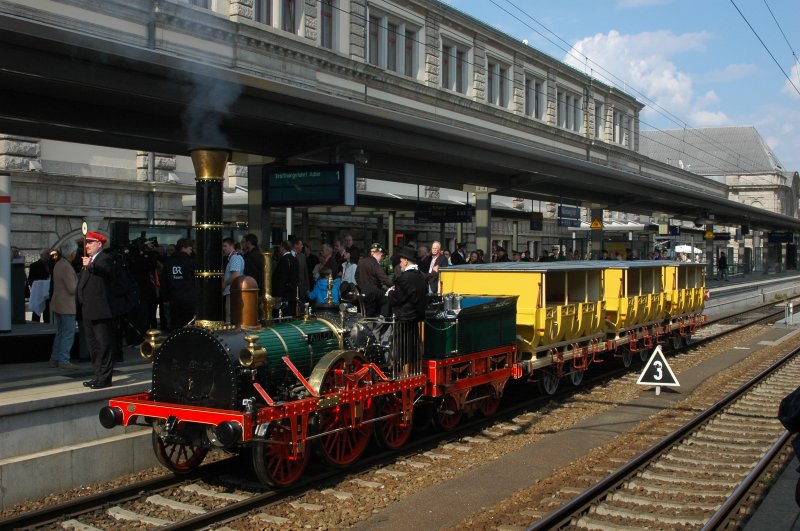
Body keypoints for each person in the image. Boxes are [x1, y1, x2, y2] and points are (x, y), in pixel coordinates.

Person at [77, 231, 115, 389]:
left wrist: (90, 266)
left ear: (99, 244)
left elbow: (106, 272)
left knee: (103, 344)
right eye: (86, 243)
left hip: (100, 310)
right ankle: (97, 375)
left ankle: (105, 378)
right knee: (93, 346)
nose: (87, 246)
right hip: (88, 309)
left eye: (90, 242)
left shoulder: (104, 259)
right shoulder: (90, 261)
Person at [49, 240, 79, 370]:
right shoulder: (67, 266)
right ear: (72, 253)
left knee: (60, 332)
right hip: (67, 305)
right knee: (68, 333)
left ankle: (55, 358)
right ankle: (64, 360)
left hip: (57, 303)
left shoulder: (58, 264)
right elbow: (72, 289)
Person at [161, 238, 196, 329]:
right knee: (189, 325)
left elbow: (164, 280)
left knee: (175, 324)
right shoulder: (190, 262)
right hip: (189, 298)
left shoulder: (169, 262)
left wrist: (165, 297)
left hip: (174, 298)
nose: (191, 252)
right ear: (183, 248)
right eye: (190, 249)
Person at [357, 243, 393, 317]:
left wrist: (362, 285)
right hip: (373, 293)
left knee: (365, 313)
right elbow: (383, 277)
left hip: (361, 291)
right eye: (382, 256)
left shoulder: (361, 261)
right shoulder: (374, 263)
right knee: (386, 301)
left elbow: (356, 276)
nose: (382, 259)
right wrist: (392, 285)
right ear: (380, 255)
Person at [272, 240, 299, 316]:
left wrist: (278, 294)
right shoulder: (294, 259)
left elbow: (281, 278)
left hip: (284, 293)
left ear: (283, 247)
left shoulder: (284, 260)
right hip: (292, 292)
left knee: (282, 314)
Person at [222, 237, 244, 323]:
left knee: (230, 314)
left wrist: (225, 284)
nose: (223, 248)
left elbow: (235, 275)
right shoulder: (234, 257)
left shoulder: (234, 258)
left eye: (225, 246)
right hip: (232, 290)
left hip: (232, 291)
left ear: (232, 245)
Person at [28, 248, 53, 322]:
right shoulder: (34, 265)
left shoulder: (52, 264)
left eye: (49, 254)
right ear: (41, 255)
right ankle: (35, 323)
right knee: (37, 307)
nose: (49, 255)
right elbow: (30, 279)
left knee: (47, 309)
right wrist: (38, 283)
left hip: (48, 290)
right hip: (39, 290)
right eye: (47, 254)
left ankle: (47, 322)